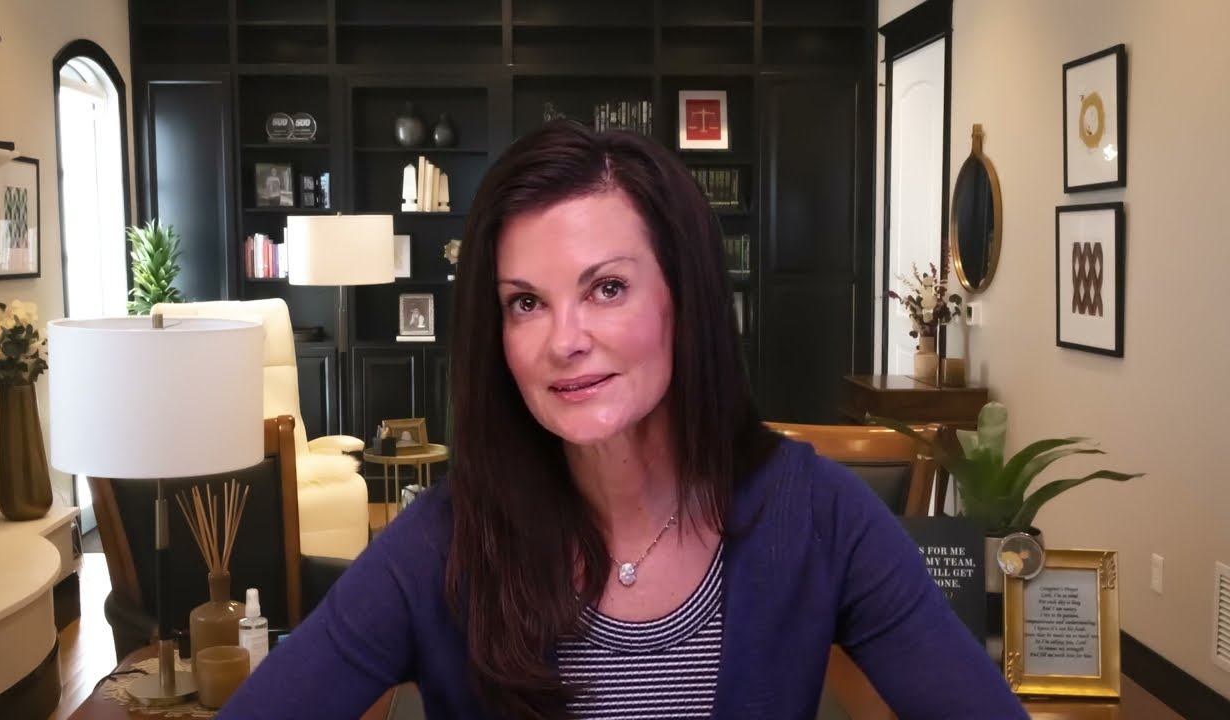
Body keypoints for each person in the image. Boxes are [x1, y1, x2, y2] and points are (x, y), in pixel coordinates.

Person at [219, 120, 1027, 719]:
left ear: (685, 296)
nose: (565, 341)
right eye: (525, 303)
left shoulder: (822, 518)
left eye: (607, 287)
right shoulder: (443, 542)